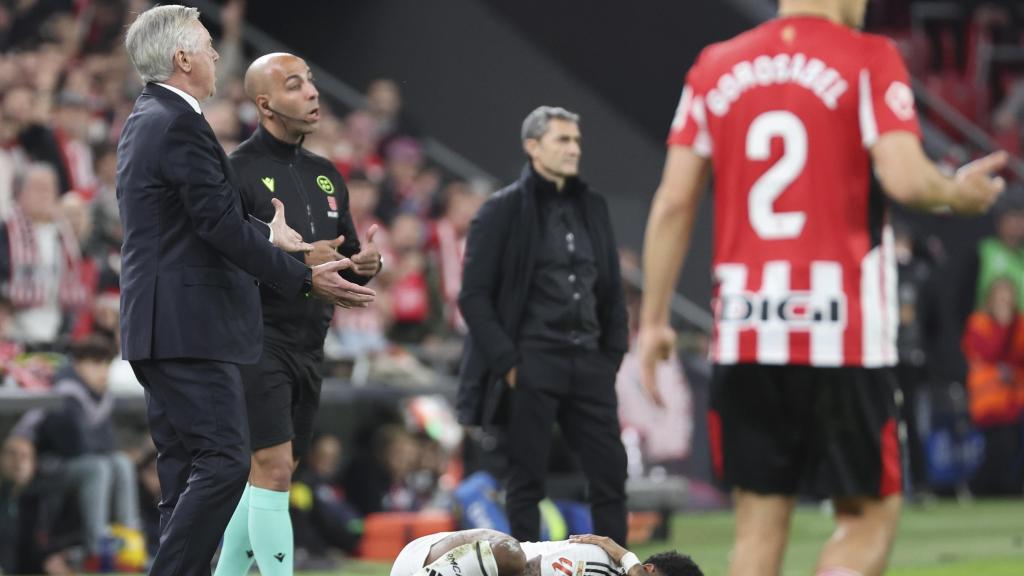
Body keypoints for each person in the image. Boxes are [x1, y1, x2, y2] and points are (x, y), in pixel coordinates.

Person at [637, 1, 1007, 575]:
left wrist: (655, 320)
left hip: (746, 330)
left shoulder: (715, 65)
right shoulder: (868, 57)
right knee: (867, 521)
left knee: (758, 530)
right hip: (843, 333)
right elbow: (906, 178)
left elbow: (673, 203)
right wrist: (958, 194)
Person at [116, 7, 375, 576]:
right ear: (182, 59)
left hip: (162, 323)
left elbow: (199, 218)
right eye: (208, 46)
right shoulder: (180, 123)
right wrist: (303, 274)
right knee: (227, 463)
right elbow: (217, 226)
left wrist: (268, 234)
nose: (215, 56)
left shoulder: (148, 118)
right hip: (191, 326)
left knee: (185, 475)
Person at [213, 52, 382, 576]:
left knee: (272, 474)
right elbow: (225, 261)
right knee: (274, 469)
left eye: (310, 81)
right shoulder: (236, 171)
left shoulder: (328, 174)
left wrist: (366, 265)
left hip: (311, 344)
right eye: (295, 85)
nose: (312, 92)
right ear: (265, 104)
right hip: (257, 338)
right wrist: (290, 259)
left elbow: (346, 265)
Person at [458, 106, 629, 544]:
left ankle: (617, 569)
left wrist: (610, 355)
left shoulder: (593, 206)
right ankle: (525, 569)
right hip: (532, 361)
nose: (574, 149)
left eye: (576, 141)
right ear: (532, 146)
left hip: (590, 362)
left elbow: (611, 286)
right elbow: (473, 296)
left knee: (611, 477)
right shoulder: (501, 210)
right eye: (562, 140)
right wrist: (509, 362)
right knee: (525, 481)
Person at [33, 335, 142, 563]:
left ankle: (129, 543)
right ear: (77, 364)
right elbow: (75, 446)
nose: (102, 371)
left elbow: (108, 444)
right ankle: (97, 548)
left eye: (105, 363)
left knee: (120, 462)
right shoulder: (65, 392)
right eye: (94, 363)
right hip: (45, 468)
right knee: (99, 467)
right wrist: (100, 446)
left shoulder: (101, 395)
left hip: (78, 464)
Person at [389, 529, 703, 576]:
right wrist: (627, 560)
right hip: (422, 559)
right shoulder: (601, 562)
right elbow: (530, 571)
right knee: (510, 551)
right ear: (647, 570)